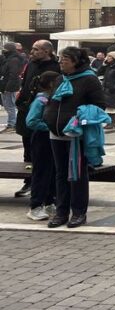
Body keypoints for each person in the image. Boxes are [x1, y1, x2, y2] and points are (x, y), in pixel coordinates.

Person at [42, 46, 105, 228]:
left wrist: (79, 117)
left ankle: (78, 213)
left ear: (76, 61)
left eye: (65, 59)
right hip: (56, 134)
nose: (61, 62)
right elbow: (52, 101)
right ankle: (61, 212)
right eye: (61, 58)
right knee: (60, 174)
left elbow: (99, 105)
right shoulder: (60, 78)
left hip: (75, 136)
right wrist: (47, 115)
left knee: (77, 174)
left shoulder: (89, 79)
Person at [14, 40, 60, 199]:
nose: (32, 52)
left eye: (36, 49)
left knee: (43, 153)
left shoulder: (56, 67)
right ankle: (29, 181)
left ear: (47, 51)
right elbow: (25, 84)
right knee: (27, 149)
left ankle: (47, 187)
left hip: (43, 114)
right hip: (26, 111)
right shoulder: (31, 64)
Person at [24, 70, 60, 221]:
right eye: (59, 82)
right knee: (41, 173)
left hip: (53, 139)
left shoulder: (53, 98)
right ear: (51, 84)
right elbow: (31, 121)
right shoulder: (40, 100)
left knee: (53, 172)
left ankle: (50, 202)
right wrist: (50, 127)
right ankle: (35, 206)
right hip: (42, 140)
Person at [0, 42, 26, 132]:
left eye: (5, 49)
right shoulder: (9, 58)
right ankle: (12, 123)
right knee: (8, 105)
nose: (3, 51)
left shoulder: (13, 60)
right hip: (7, 85)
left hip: (10, 86)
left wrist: (8, 87)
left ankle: (12, 124)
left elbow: (13, 74)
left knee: (10, 106)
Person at [100, 50, 115, 130]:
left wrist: (114, 88)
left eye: (109, 56)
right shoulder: (108, 66)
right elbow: (99, 72)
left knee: (112, 107)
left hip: (112, 90)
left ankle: (112, 122)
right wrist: (103, 65)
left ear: (114, 58)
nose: (107, 58)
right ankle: (111, 122)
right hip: (106, 89)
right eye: (107, 56)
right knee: (108, 107)